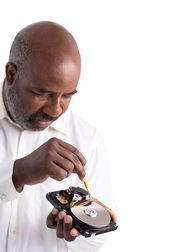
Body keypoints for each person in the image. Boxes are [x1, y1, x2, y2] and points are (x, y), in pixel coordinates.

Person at [0, 21, 116, 252]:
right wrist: (18, 173)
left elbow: (97, 237)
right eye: (42, 93)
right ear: (12, 74)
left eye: (67, 96)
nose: (55, 110)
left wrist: (77, 234)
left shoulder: (87, 138)